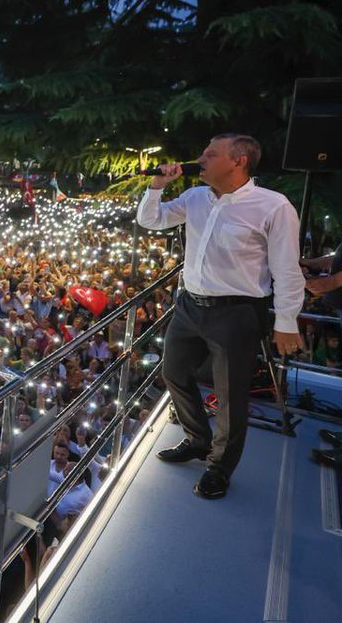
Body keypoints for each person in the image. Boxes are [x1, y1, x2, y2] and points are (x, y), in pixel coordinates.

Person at [138, 134, 304, 499]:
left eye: (210, 154)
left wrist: (286, 321)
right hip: (190, 305)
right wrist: (157, 186)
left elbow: (287, 270)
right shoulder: (196, 197)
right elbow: (152, 220)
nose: (200, 159)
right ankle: (198, 439)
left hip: (237, 312)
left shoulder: (273, 206)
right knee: (173, 372)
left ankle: (220, 467)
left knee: (230, 394)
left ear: (238, 161)